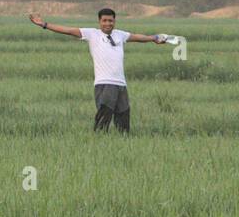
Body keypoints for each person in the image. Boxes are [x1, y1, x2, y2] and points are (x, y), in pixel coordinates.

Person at [27, 7, 172, 133]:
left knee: (124, 115)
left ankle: (124, 141)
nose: (108, 23)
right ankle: (99, 139)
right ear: (99, 21)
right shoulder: (92, 34)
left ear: (114, 21)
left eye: (111, 21)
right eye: (105, 20)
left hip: (121, 84)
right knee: (105, 114)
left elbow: (138, 37)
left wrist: (153, 38)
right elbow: (68, 30)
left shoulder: (120, 35)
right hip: (104, 83)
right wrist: (44, 24)